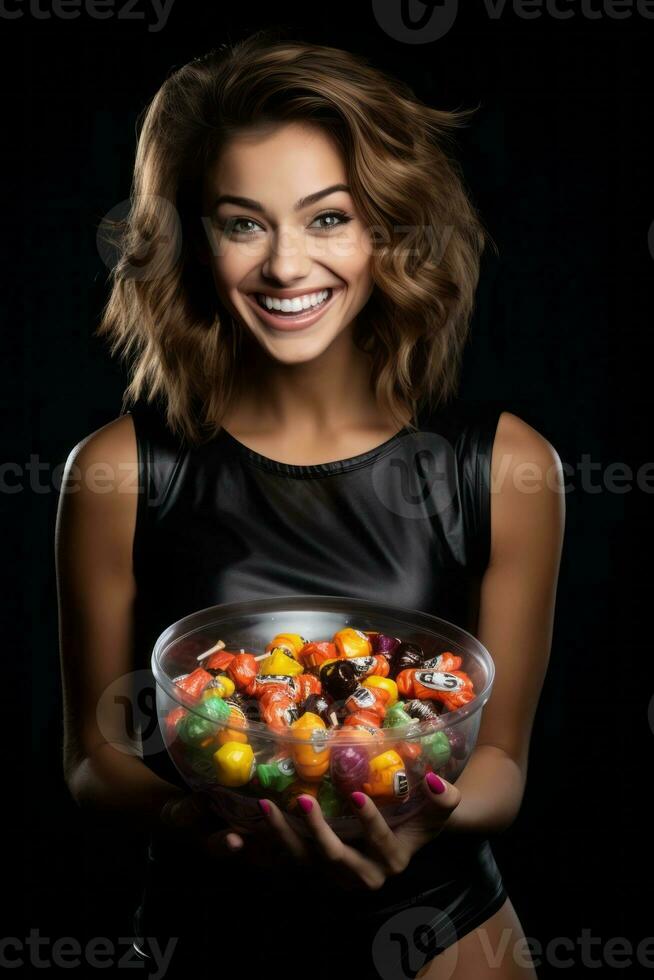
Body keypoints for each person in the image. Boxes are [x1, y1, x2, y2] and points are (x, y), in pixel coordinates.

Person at [56, 32, 565, 980]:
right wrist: (201, 814)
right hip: (204, 942)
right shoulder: (118, 470)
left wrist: (414, 825)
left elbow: (499, 764)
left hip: (445, 941)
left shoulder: (504, 467)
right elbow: (92, 758)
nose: (287, 266)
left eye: (328, 218)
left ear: (389, 229)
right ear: (193, 240)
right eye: (242, 222)